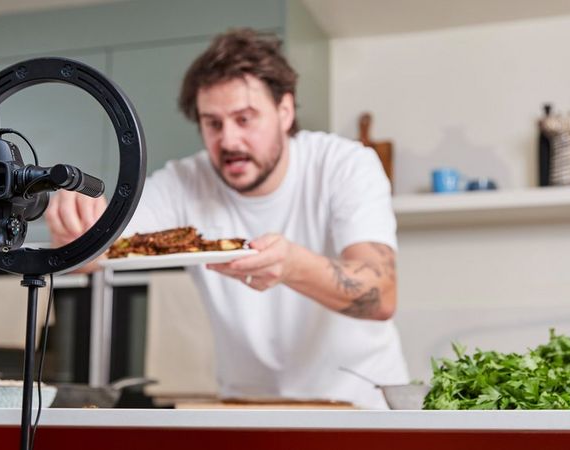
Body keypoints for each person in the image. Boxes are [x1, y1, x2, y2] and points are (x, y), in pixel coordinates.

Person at [46, 28, 408, 409]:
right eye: (213, 123)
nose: (229, 141)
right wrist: (76, 227)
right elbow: (98, 252)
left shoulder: (346, 165)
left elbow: (381, 295)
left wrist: (291, 265)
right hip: (246, 407)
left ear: (285, 111)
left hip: (359, 406)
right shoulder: (183, 182)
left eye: (245, 119)